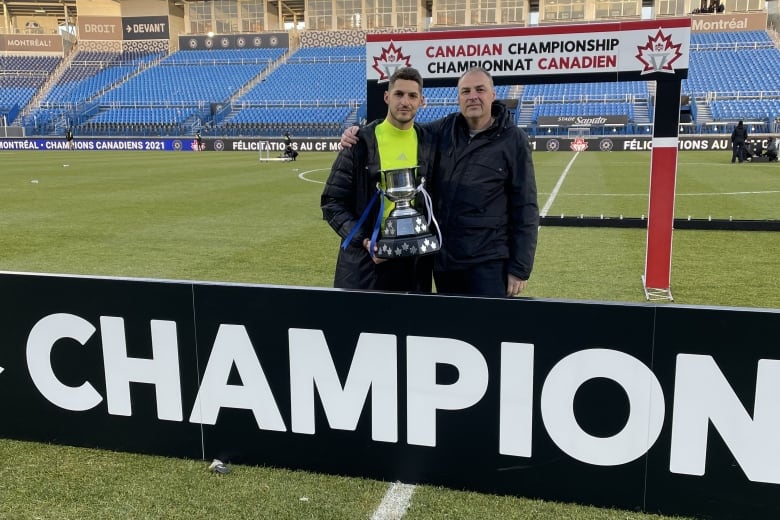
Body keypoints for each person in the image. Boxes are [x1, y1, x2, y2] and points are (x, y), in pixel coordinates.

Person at [341, 67, 539, 298]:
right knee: (449, 327)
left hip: (488, 261)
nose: (472, 96)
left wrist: (520, 268)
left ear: (492, 95)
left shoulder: (513, 139)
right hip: (445, 260)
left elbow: (525, 206)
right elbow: (402, 126)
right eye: (465, 91)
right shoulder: (444, 129)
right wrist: (363, 132)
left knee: (486, 328)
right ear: (458, 98)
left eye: (480, 90)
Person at [321, 67, 435, 292]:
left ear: (422, 101)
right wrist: (366, 240)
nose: (405, 101)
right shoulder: (359, 142)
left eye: (412, 96)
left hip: (413, 264)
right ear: (386, 97)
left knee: (409, 326)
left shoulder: (430, 143)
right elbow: (331, 203)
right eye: (398, 94)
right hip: (366, 264)